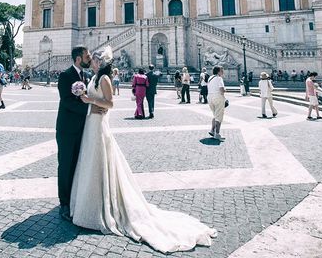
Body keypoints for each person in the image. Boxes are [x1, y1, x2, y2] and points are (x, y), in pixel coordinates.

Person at [71, 46, 216, 253]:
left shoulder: (104, 79)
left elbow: (110, 103)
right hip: (92, 124)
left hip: (98, 124)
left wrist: (90, 99)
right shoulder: (94, 78)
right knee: (93, 162)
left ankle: (101, 206)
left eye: (94, 60)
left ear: (100, 63)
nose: (91, 62)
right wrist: (88, 98)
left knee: (100, 161)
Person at [56, 45, 105, 222]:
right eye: (87, 56)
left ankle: (73, 198)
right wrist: (90, 111)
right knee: (65, 164)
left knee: (76, 164)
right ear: (78, 59)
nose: (90, 58)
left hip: (82, 129)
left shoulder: (85, 76)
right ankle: (63, 203)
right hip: (67, 129)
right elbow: (67, 102)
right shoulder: (66, 76)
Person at [207, 66, 227, 141]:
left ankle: (212, 130)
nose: (223, 72)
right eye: (222, 71)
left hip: (210, 97)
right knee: (219, 116)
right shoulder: (219, 78)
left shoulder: (210, 78)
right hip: (217, 97)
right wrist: (225, 90)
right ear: (218, 72)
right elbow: (221, 90)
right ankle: (217, 134)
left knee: (215, 115)